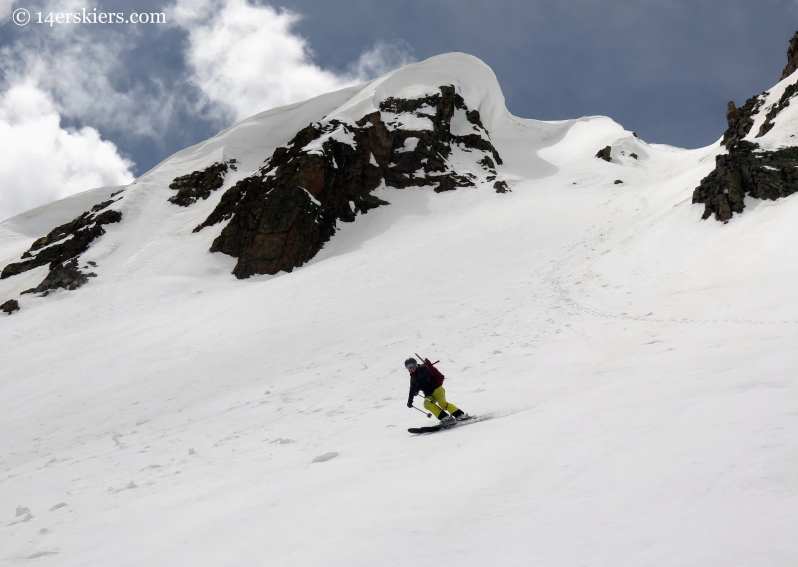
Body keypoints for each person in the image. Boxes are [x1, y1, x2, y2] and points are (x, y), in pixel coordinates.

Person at [405, 357, 468, 424]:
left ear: (415, 364)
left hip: (437, 389)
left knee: (442, 404)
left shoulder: (423, 369)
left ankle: (460, 415)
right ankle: (445, 418)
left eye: (411, 365)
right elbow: (412, 389)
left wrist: (417, 389)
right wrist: (410, 401)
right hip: (429, 393)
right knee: (427, 404)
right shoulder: (413, 377)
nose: (411, 368)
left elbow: (425, 378)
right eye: (408, 367)